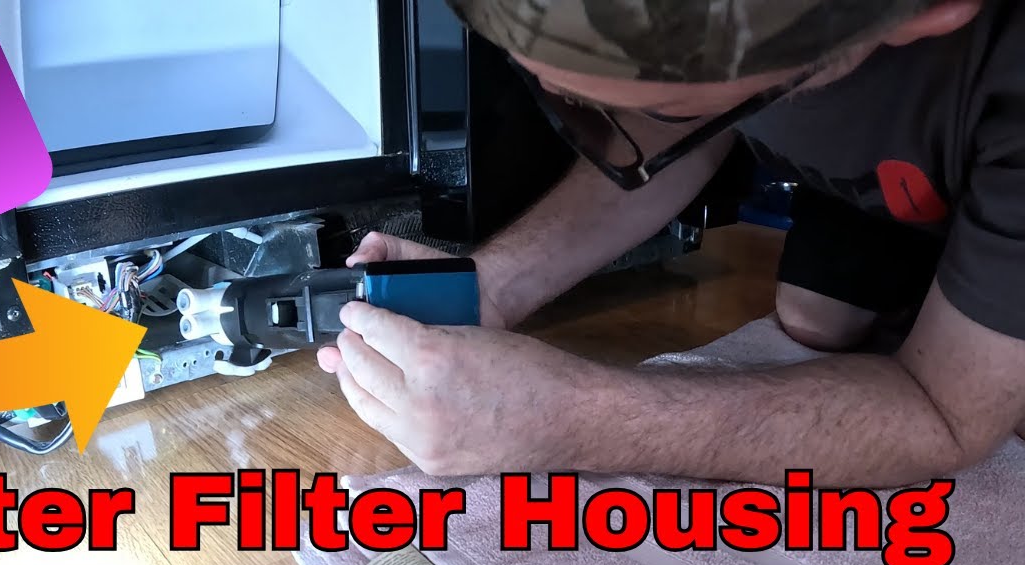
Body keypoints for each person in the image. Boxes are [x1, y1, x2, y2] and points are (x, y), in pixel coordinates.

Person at [316, 0, 1025, 488]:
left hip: (976, 155)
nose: (620, 123)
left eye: (663, 104)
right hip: (884, 191)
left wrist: (570, 417)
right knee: (815, 321)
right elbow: (677, 136)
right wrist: (493, 285)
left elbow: (942, 417)